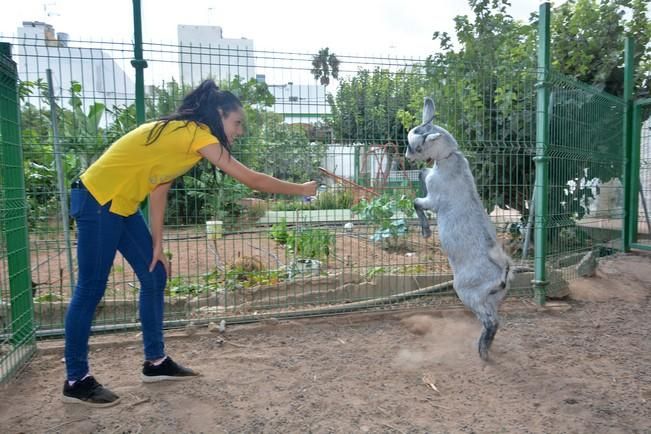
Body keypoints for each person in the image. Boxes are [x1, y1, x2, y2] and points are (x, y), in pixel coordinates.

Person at [62, 79, 317, 407]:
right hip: (98, 201)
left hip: (120, 206)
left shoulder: (184, 139)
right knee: (90, 289)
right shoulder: (195, 133)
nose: (239, 131)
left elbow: (159, 189)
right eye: (237, 123)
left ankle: (155, 363)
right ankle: (76, 379)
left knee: (154, 274)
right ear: (219, 114)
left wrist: (157, 245)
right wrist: (301, 189)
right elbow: (250, 178)